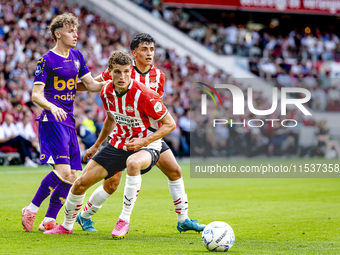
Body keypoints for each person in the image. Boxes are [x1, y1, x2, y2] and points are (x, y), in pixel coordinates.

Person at [76, 33, 205, 233]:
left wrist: (151, 135)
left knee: (175, 171)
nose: (149, 53)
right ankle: (84, 216)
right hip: (124, 136)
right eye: (144, 49)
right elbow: (92, 85)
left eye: (152, 49)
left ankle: (183, 219)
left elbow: (156, 107)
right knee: (111, 185)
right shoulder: (122, 71)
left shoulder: (159, 76)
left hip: (150, 135)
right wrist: (64, 87)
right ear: (133, 53)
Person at [44, 50, 176, 236]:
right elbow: (111, 118)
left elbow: (170, 124)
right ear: (110, 71)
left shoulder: (145, 95)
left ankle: (124, 220)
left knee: (134, 163)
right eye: (117, 72)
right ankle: (66, 226)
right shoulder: (106, 90)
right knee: (81, 183)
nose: (122, 77)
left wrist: (143, 141)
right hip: (118, 143)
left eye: (126, 71)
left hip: (146, 145)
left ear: (131, 71)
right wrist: (96, 145)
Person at [21, 13, 108, 232]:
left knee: (72, 175)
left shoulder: (77, 55)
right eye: (71, 31)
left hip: (68, 121)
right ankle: (31, 209)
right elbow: (36, 95)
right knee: (62, 170)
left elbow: (91, 85)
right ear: (58, 33)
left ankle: (49, 219)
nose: (75, 34)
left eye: (76, 30)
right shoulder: (46, 59)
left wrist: (113, 78)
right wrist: (52, 106)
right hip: (52, 119)